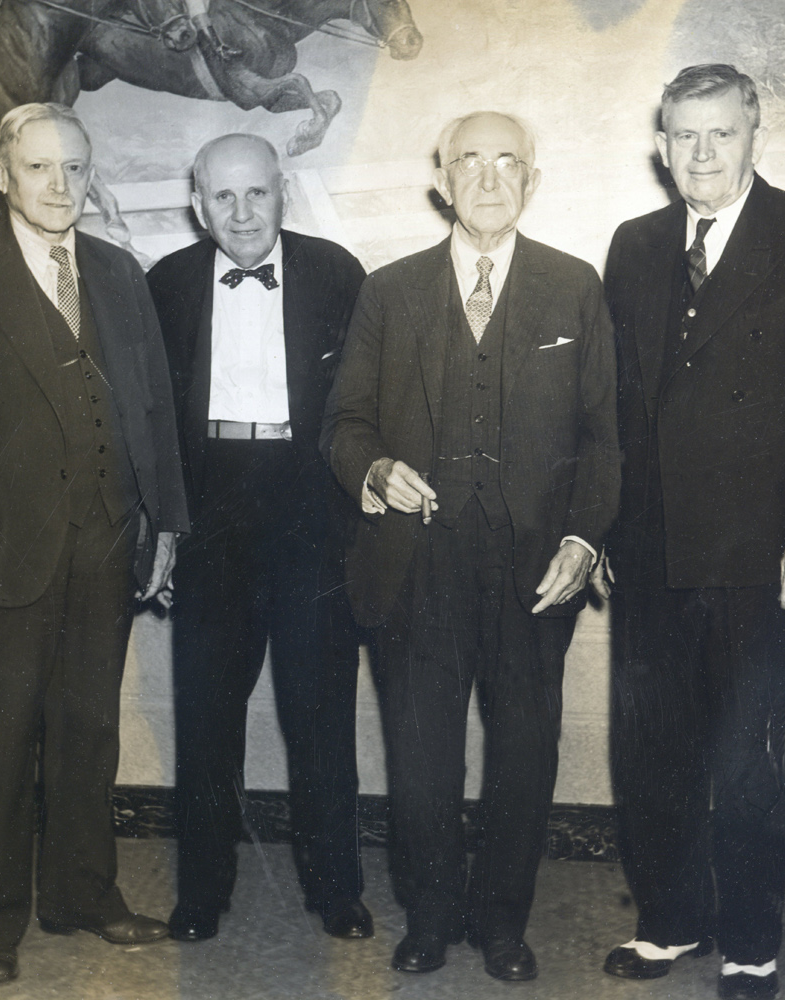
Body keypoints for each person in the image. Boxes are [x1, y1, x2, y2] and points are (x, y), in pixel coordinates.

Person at [0, 102, 189, 985]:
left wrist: (165, 522)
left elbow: (153, 407)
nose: (61, 186)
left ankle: (82, 895)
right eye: (41, 168)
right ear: (1, 173)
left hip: (107, 543)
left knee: (89, 732)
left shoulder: (118, 271)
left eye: (76, 169)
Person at [596, 64, 785, 1000]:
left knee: (746, 763)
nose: (702, 153)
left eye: (720, 133)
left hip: (763, 558)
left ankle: (752, 945)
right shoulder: (634, 245)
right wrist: (597, 530)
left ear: (755, 135)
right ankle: (673, 925)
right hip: (651, 552)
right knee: (654, 754)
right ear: (661, 142)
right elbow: (616, 411)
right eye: (685, 135)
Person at [322, 112, 620, 982]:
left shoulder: (575, 287)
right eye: (469, 163)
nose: (488, 179)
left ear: (533, 179)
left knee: (525, 753)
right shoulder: (389, 289)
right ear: (440, 181)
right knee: (422, 758)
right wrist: (374, 468)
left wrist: (581, 536)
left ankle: (503, 926)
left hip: (535, 569)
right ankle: (431, 915)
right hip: (417, 562)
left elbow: (603, 436)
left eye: (507, 163)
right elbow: (344, 424)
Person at [146, 133, 371, 943]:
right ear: (198, 202)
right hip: (213, 510)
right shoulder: (166, 283)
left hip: (310, 505)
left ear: (284, 193)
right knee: (207, 716)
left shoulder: (338, 272)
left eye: (258, 195)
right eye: (224, 197)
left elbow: (364, 406)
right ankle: (203, 893)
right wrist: (165, 527)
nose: (242, 214)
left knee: (320, 712)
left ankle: (336, 888)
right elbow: (152, 423)